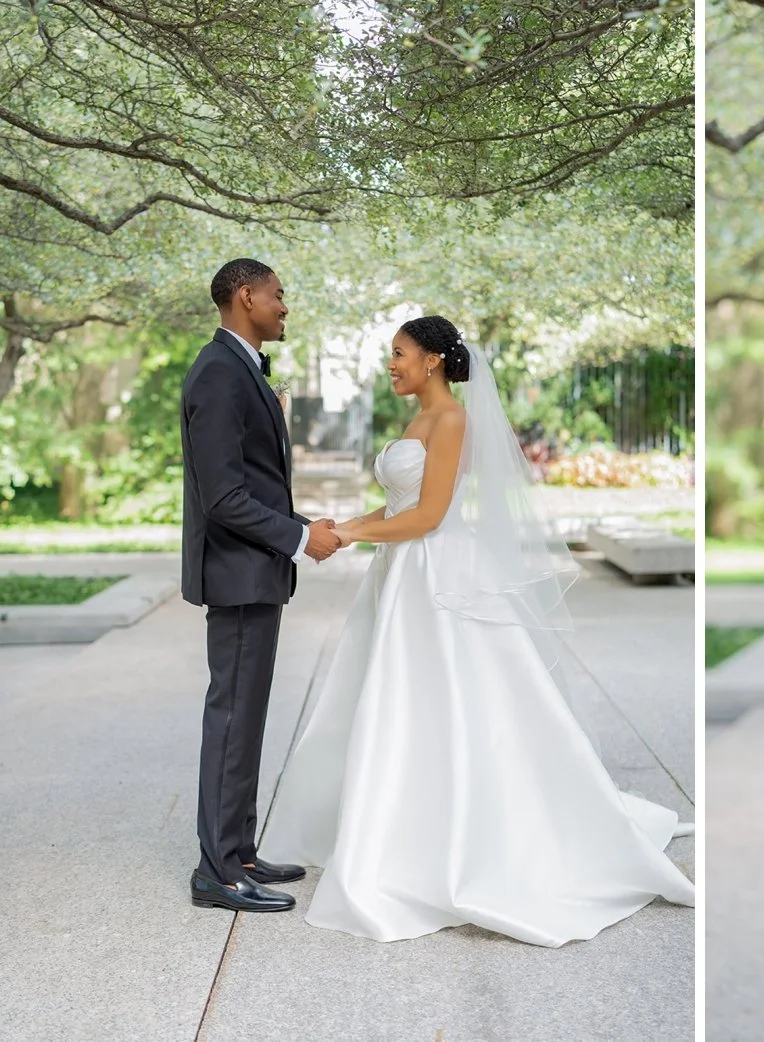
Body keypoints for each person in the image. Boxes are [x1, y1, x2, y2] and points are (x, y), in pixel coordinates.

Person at [258, 315, 695, 945]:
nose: (391, 365)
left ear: (433, 359)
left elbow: (432, 516)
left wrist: (349, 535)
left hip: (438, 574)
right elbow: (403, 506)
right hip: (402, 573)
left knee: (456, 699)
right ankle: (402, 824)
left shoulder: (454, 420)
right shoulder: (417, 418)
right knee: (401, 703)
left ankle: (475, 838)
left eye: (400, 353)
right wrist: (345, 523)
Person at [182, 258, 339, 914]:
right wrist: (301, 538)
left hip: (254, 574)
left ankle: (239, 849)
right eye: (278, 296)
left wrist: (302, 529)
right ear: (245, 296)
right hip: (239, 574)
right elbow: (225, 497)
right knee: (231, 718)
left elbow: (251, 484)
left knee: (245, 719)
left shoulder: (238, 367)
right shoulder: (219, 372)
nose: (285, 307)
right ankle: (216, 871)